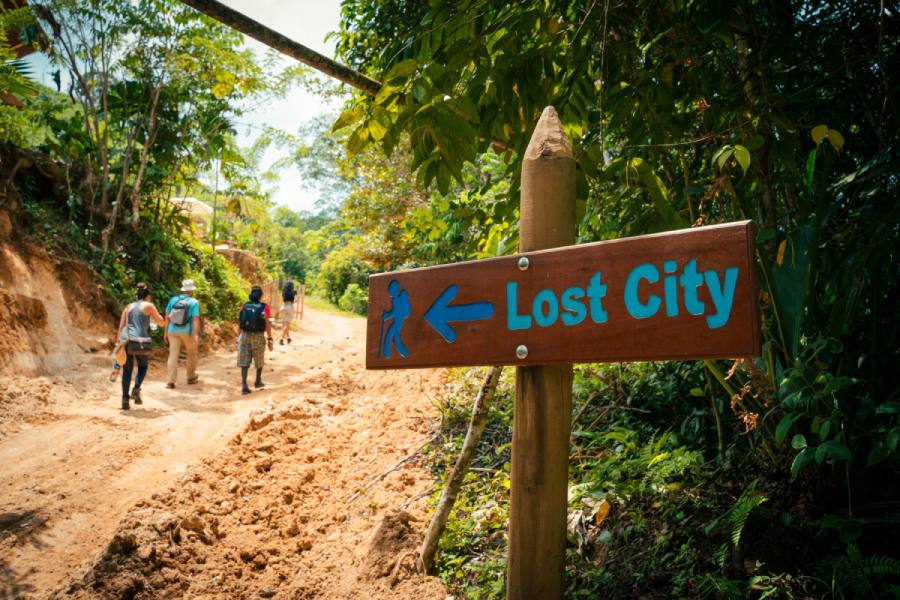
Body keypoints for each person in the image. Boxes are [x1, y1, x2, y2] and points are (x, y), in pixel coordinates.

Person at [115, 283, 165, 410]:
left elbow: (121, 326)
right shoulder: (149, 305)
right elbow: (160, 322)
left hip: (126, 340)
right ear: (147, 296)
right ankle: (136, 389)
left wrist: (118, 342)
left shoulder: (128, 307)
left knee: (127, 370)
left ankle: (124, 400)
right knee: (143, 366)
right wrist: (163, 321)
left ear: (136, 296)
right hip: (140, 341)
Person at [164, 279, 201, 389]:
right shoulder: (194, 302)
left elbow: (167, 316)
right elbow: (195, 319)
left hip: (172, 330)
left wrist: (165, 332)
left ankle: (170, 381)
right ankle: (191, 377)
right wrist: (195, 334)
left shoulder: (173, 300)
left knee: (173, 355)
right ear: (191, 291)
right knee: (191, 352)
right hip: (187, 332)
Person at [238, 285, 274, 394]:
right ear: (260, 296)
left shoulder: (244, 306)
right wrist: (270, 338)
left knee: (244, 359)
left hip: (244, 335)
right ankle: (258, 381)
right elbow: (267, 323)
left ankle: (244, 385)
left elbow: (239, 321)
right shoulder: (265, 307)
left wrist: (238, 336)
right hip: (258, 336)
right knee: (259, 358)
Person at [279, 279, 297, 345]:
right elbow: (296, 300)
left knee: (285, 324)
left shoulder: (284, 291)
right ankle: (281, 338)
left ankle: (288, 338)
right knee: (287, 324)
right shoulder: (294, 291)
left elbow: (282, 299)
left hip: (283, 307)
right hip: (290, 307)